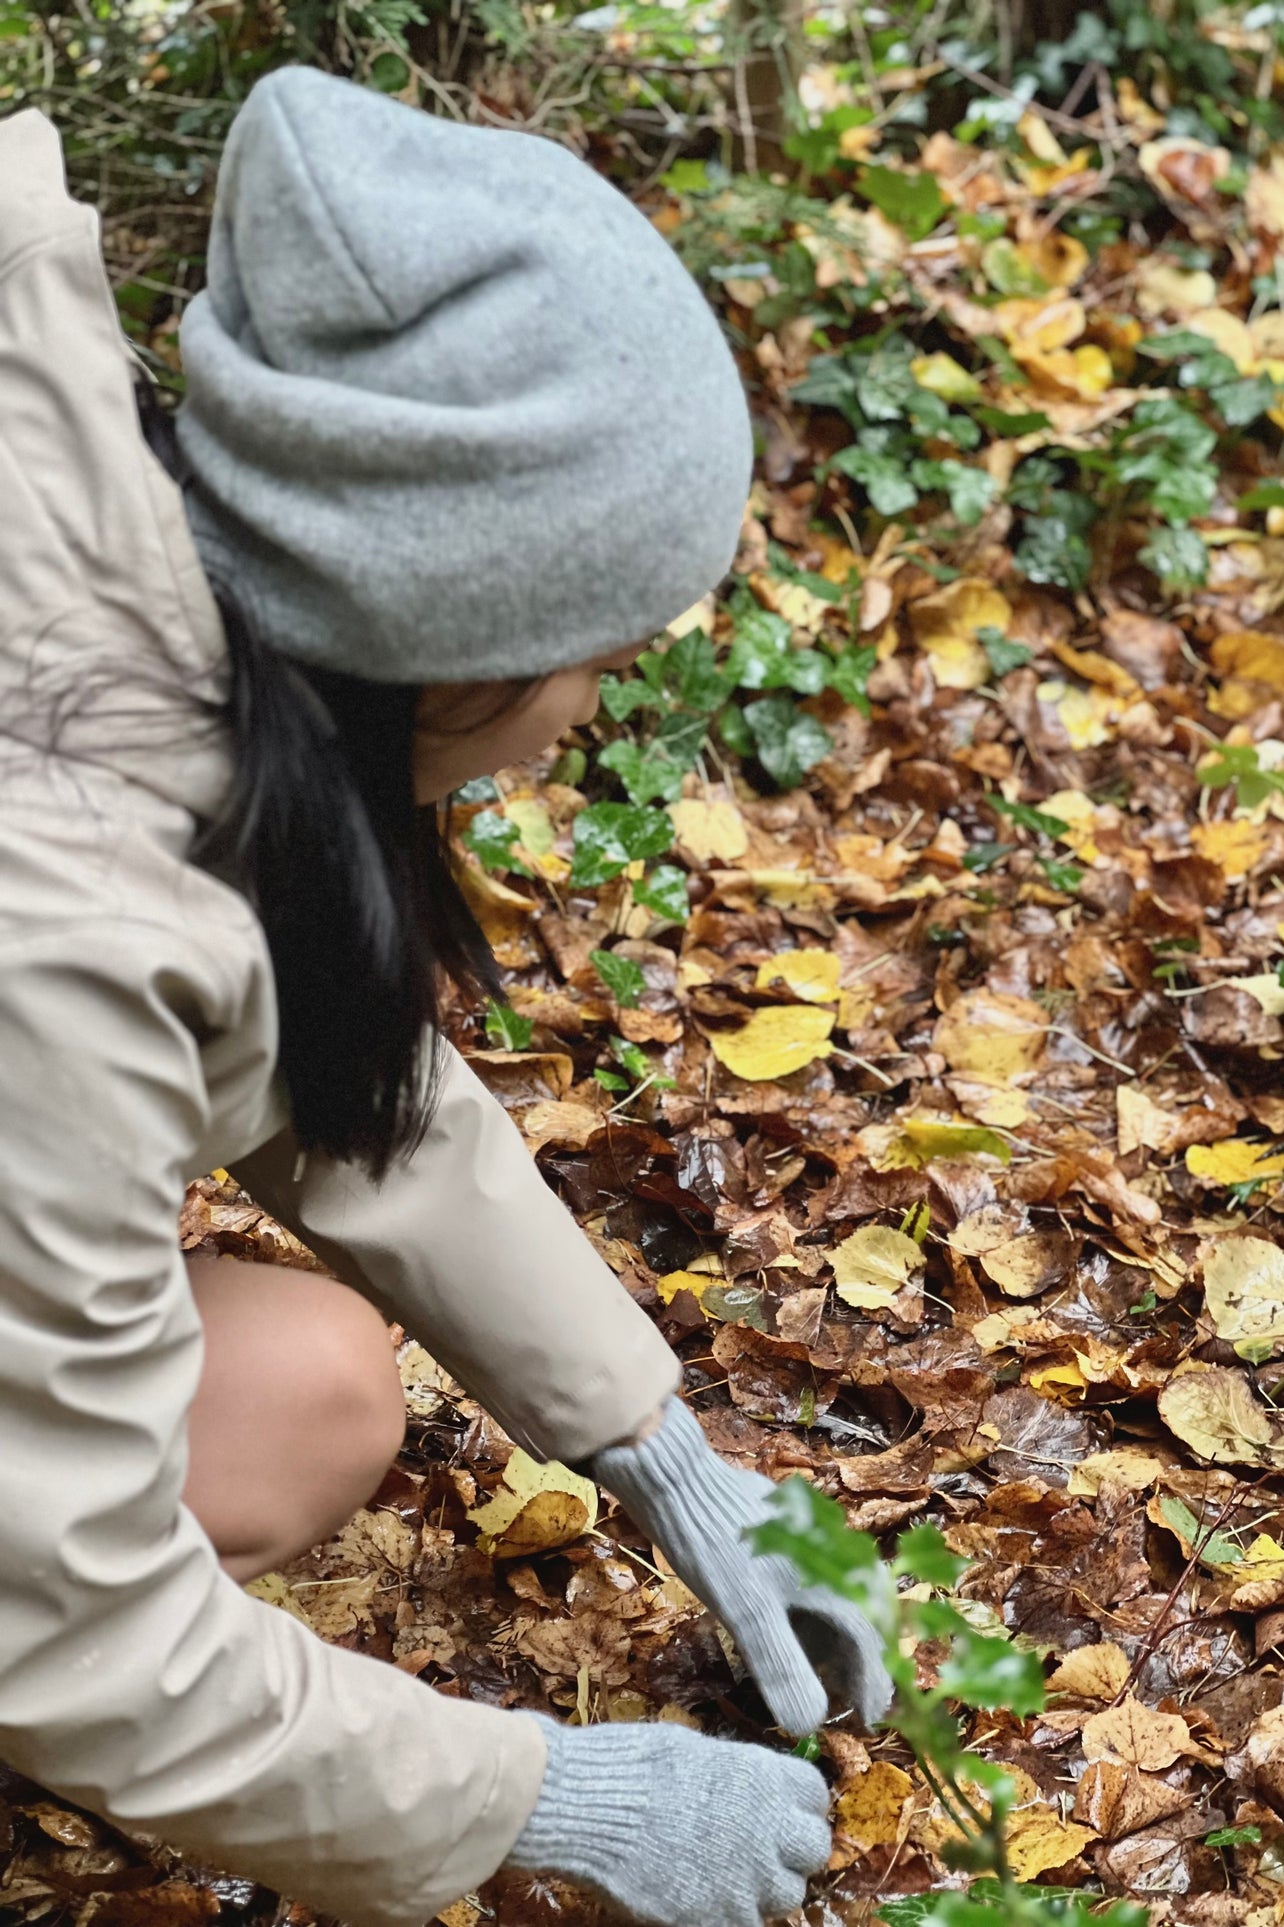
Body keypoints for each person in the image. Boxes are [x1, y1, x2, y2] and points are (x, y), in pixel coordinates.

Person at [0, 66, 889, 1927]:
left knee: (304, 1388)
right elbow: (74, 1617)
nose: (597, 715)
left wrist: (670, 1458)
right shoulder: (61, 912)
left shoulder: (127, 574)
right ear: (443, 642)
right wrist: (547, 1796)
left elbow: (337, 1082)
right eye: (598, 657)